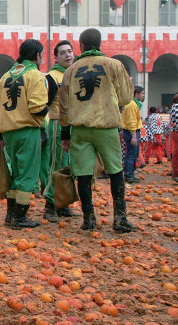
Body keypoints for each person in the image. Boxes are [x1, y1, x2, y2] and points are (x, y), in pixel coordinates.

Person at [58, 28, 135, 232]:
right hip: (106, 127)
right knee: (115, 170)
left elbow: (63, 105)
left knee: (83, 174)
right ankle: (120, 217)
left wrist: (65, 134)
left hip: (79, 129)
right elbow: (127, 97)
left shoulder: (71, 70)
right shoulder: (113, 65)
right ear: (100, 44)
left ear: (81, 46)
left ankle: (89, 219)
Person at [0, 39, 49, 228]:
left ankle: (10, 215)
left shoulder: (5, 76)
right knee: (27, 175)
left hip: (8, 133)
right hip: (27, 130)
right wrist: (49, 111)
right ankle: (20, 217)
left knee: (15, 174)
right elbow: (37, 107)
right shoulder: (35, 75)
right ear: (38, 55)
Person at [40, 40, 78, 220]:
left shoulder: (77, 74)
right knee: (55, 166)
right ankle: (50, 206)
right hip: (57, 125)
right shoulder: (51, 77)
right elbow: (43, 105)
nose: (67, 55)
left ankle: (63, 203)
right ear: (56, 57)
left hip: (75, 126)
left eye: (70, 51)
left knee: (70, 166)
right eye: (63, 52)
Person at [121, 86, 144, 183]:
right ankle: (129, 175)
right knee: (131, 154)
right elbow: (131, 122)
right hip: (131, 132)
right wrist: (134, 136)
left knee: (133, 154)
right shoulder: (132, 105)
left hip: (132, 131)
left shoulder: (133, 104)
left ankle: (130, 174)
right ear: (137, 94)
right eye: (142, 93)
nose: (143, 96)